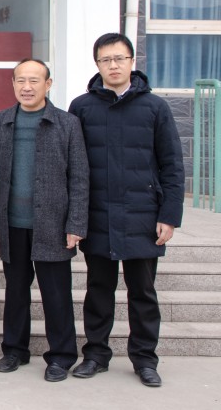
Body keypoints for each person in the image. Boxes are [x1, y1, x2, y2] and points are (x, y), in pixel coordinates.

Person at [67, 33, 184, 387]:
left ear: (132, 61)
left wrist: (169, 215)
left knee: (143, 293)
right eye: (106, 60)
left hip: (142, 215)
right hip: (98, 215)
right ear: (97, 65)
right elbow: (72, 166)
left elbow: (172, 165)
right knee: (98, 289)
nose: (113, 65)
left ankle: (145, 359)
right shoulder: (82, 107)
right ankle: (95, 354)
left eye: (119, 58)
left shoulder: (155, 108)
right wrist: (74, 217)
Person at [0, 59, 89, 382]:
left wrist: (76, 224)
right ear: (13, 84)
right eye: (20, 81)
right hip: (12, 223)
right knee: (16, 290)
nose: (26, 87)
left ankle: (61, 356)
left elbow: (80, 178)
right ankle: (14, 350)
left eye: (34, 81)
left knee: (56, 294)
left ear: (48, 84)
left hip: (53, 223)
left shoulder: (67, 124)